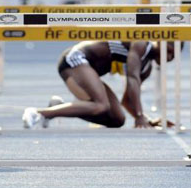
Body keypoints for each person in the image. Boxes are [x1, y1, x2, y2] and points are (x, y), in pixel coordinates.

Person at [22, 41, 179, 129]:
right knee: (101, 105)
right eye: (170, 49)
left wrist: (145, 118)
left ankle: (58, 107)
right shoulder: (141, 45)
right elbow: (132, 79)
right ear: (160, 42)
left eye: (174, 54)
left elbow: (126, 100)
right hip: (75, 59)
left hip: (88, 69)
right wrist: (138, 116)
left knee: (117, 119)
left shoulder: (147, 68)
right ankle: (38, 112)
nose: (170, 56)